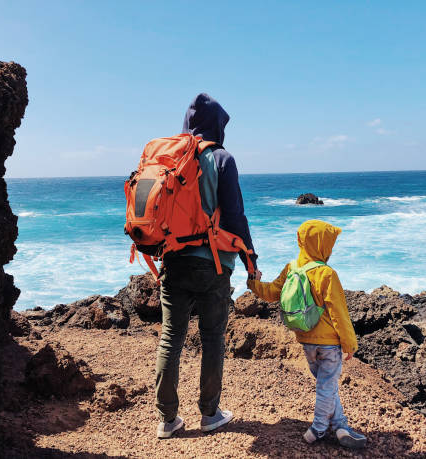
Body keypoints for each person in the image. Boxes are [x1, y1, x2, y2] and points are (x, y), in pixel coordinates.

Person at [156, 93, 260, 438]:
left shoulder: (170, 159)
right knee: (212, 337)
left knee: (172, 337)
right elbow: (235, 216)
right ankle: (209, 413)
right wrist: (250, 260)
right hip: (213, 265)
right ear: (218, 124)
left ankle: (168, 420)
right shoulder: (222, 158)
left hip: (171, 261)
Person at [246, 220, 367, 449]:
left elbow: (272, 292)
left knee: (326, 385)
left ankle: (340, 425)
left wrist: (254, 283)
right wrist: (349, 344)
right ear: (323, 245)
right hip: (329, 345)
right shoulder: (326, 273)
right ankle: (318, 429)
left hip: (306, 341)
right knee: (326, 386)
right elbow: (339, 312)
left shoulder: (292, 268)